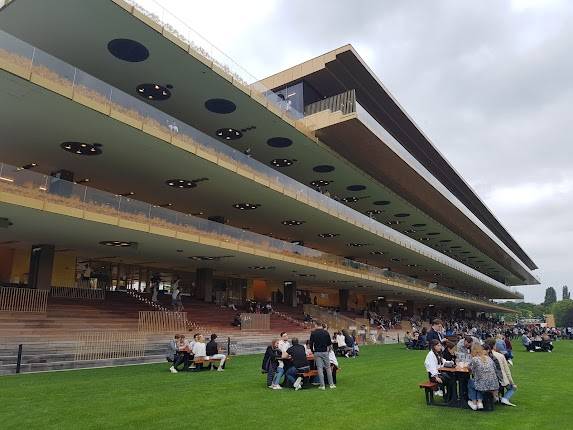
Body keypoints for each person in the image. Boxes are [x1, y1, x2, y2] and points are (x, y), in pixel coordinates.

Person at [467, 343, 499, 411]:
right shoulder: (488, 358)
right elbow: (495, 369)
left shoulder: (475, 359)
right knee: (478, 382)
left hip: (482, 384)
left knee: (471, 382)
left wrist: (468, 367)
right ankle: (479, 402)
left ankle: (474, 402)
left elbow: (471, 370)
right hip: (494, 383)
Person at [489, 339, 518, 406]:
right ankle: (505, 398)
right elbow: (507, 371)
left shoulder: (485, 355)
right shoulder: (500, 356)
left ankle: (498, 397)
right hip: (500, 379)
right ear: (494, 346)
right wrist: (512, 382)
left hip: (491, 378)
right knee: (513, 387)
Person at [309, 324, 335, 390]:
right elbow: (329, 343)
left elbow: (311, 343)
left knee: (319, 369)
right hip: (325, 352)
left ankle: (322, 385)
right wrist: (328, 350)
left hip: (317, 352)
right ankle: (331, 384)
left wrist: (312, 351)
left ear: (315, 325)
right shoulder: (326, 332)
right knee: (328, 368)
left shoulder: (313, 333)